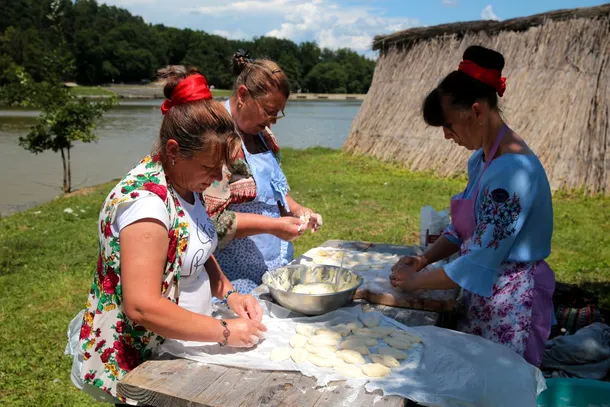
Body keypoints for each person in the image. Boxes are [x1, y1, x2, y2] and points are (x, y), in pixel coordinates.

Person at [70, 67, 267, 405]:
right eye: (209, 168)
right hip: (144, 361)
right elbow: (142, 307)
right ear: (174, 151)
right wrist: (224, 332)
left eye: (221, 166)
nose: (217, 176)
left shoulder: (186, 182)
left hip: (182, 347)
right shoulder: (146, 205)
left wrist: (230, 293)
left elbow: (196, 247)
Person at [390, 45, 555, 367]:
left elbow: (480, 257)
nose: (447, 135)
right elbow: (464, 229)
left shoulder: (511, 174)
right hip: (486, 291)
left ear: (477, 111)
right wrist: (424, 260)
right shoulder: (481, 160)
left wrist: (416, 282)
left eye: (449, 124)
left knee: (501, 383)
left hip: (512, 300)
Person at [204, 50, 322, 294]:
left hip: (274, 267)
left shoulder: (263, 135)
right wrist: (272, 226)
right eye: (269, 110)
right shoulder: (216, 137)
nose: (272, 120)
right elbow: (212, 222)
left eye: (277, 112)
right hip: (232, 277)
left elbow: (275, 192)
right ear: (243, 96)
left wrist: (298, 210)